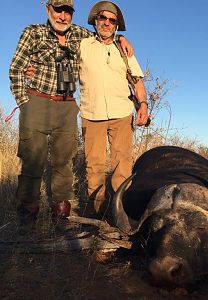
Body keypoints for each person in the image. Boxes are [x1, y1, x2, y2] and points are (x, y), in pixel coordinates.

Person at [9, 0, 133, 233]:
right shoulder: (32, 32)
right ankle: (27, 216)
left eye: (68, 12)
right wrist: (24, 101)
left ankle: (61, 216)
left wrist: (122, 39)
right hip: (36, 100)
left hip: (67, 105)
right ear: (48, 9)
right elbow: (16, 68)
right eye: (58, 10)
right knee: (32, 159)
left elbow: (105, 36)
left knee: (63, 162)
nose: (63, 16)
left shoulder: (81, 35)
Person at [80, 1, 148, 217]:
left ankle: (122, 214)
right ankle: (96, 214)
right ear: (95, 20)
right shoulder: (82, 44)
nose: (107, 23)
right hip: (92, 113)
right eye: (103, 18)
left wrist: (144, 105)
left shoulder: (123, 48)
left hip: (122, 113)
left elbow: (137, 81)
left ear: (117, 25)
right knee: (94, 167)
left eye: (112, 20)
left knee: (122, 166)